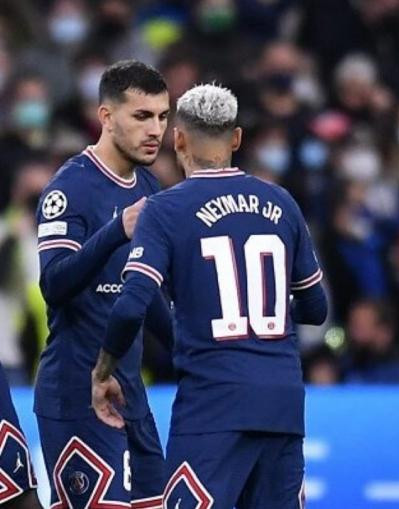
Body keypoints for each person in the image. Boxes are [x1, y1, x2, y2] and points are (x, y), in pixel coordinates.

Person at [90, 83, 327, 508]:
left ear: (177, 138)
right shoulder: (282, 202)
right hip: (283, 404)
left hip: (212, 406)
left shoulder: (165, 209)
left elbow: (130, 307)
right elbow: (316, 307)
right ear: (236, 138)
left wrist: (104, 370)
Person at [34, 60, 171, 509]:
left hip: (130, 390)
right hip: (77, 392)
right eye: (142, 116)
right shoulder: (69, 189)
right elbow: (53, 285)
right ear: (106, 117)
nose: (156, 130)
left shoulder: (148, 184)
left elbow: (144, 292)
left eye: (162, 116)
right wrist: (116, 230)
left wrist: (193, 350)